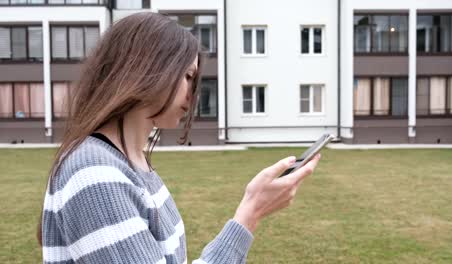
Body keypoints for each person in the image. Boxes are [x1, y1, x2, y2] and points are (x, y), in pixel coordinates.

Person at [38, 12, 321, 264]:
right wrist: (250, 213)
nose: (192, 92)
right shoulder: (94, 173)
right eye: (187, 75)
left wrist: (249, 213)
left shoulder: (134, 166)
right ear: (143, 70)